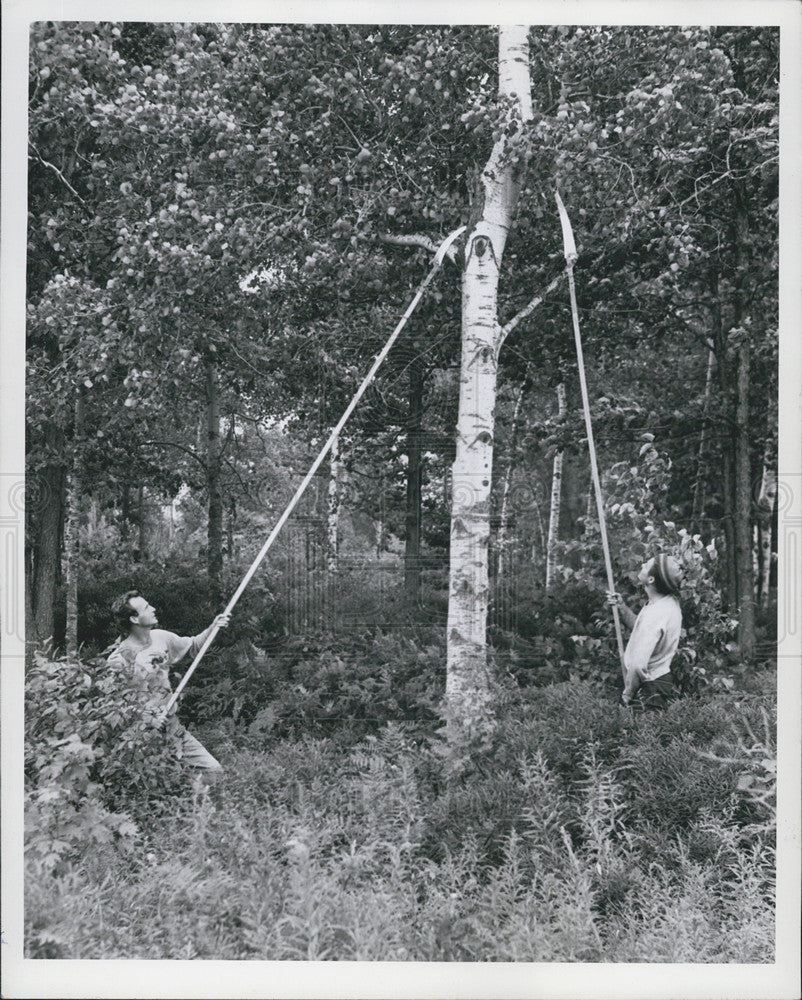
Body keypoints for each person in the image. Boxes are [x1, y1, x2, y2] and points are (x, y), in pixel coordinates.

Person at [106, 591, 231, 771]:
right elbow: (114, 704)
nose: (154, 609)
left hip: (173, 728)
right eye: (147, 608)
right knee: (154, 786)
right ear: (134, 619)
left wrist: (213, 627)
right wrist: (148, 718)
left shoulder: (160, 637)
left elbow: (194, 646)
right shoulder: (119, 659)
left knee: (213, 770)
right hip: (141, 735)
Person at [607, 553, 683, 710]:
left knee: (642, 733)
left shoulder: (656, 614)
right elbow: (641, 628)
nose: (642, 566)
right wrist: (622, 607)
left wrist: (627, 694)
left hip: (649, 688)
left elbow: (637, 665)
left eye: (646, 565)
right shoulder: (666, 604)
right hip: (658, 682)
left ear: (651, 580)